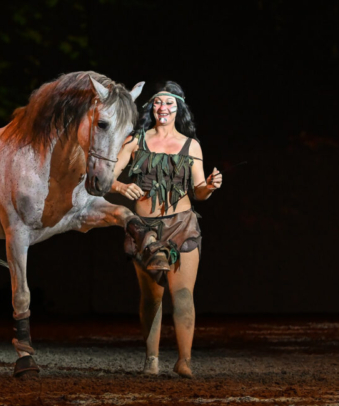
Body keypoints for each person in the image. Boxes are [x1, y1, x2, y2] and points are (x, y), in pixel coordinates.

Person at [111, 81, 222, 378]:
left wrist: (209, 187)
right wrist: (121, 186)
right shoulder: (136, 141)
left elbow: (198, 191)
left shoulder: (191, 145)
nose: (163, 108)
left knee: (183, 294)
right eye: (159, 102)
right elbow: (107, 176)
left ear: (179, 108)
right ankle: (152, 360)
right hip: (145, 230)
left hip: (182, 225)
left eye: (170, 103)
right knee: (152, 297)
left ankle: (184, 360)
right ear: (152, 107)